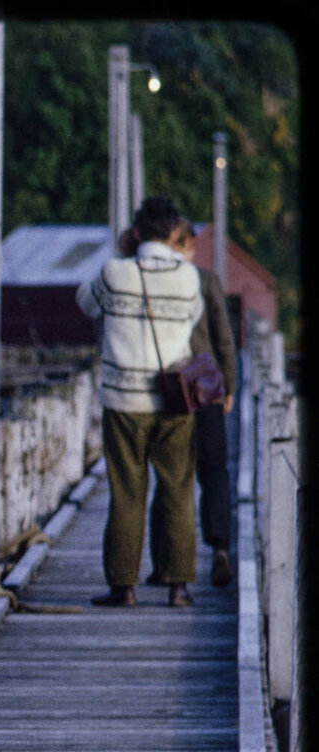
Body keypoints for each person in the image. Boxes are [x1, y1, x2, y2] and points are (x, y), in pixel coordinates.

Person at [76, 193, 204, 607]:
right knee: (177, 490)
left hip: (124, 401)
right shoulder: (188, 277)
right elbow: (193, 317)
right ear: (172, 232)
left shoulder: (115, 273)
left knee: (127, 490)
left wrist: (121, 255)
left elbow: (85, 303)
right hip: (174, 400)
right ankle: (178, 583)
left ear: (134, 234)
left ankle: (123, 586)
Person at [144, 217, 238, 588]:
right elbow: (223, 339)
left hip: (170, 385)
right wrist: (229, 386)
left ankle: (163, 562)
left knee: (170, 475)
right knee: (214, 471)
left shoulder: (151, 278)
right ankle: (220, 549)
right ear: (187, 245)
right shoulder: (206, 281)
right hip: (206, 381)